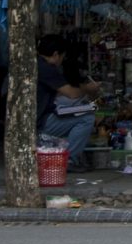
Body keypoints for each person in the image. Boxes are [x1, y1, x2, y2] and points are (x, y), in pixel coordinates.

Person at [36, 34, 100, 172]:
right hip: (40, 123)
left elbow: (58, 92)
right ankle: (68, 161)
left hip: (38, 118)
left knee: (73, 109)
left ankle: (66, 154)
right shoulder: (47, 68)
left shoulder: (36, 63)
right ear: (55, 54)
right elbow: (72, 93)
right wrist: (88, 88)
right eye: (62, 56)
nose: (62, 60)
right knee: (86, 118)